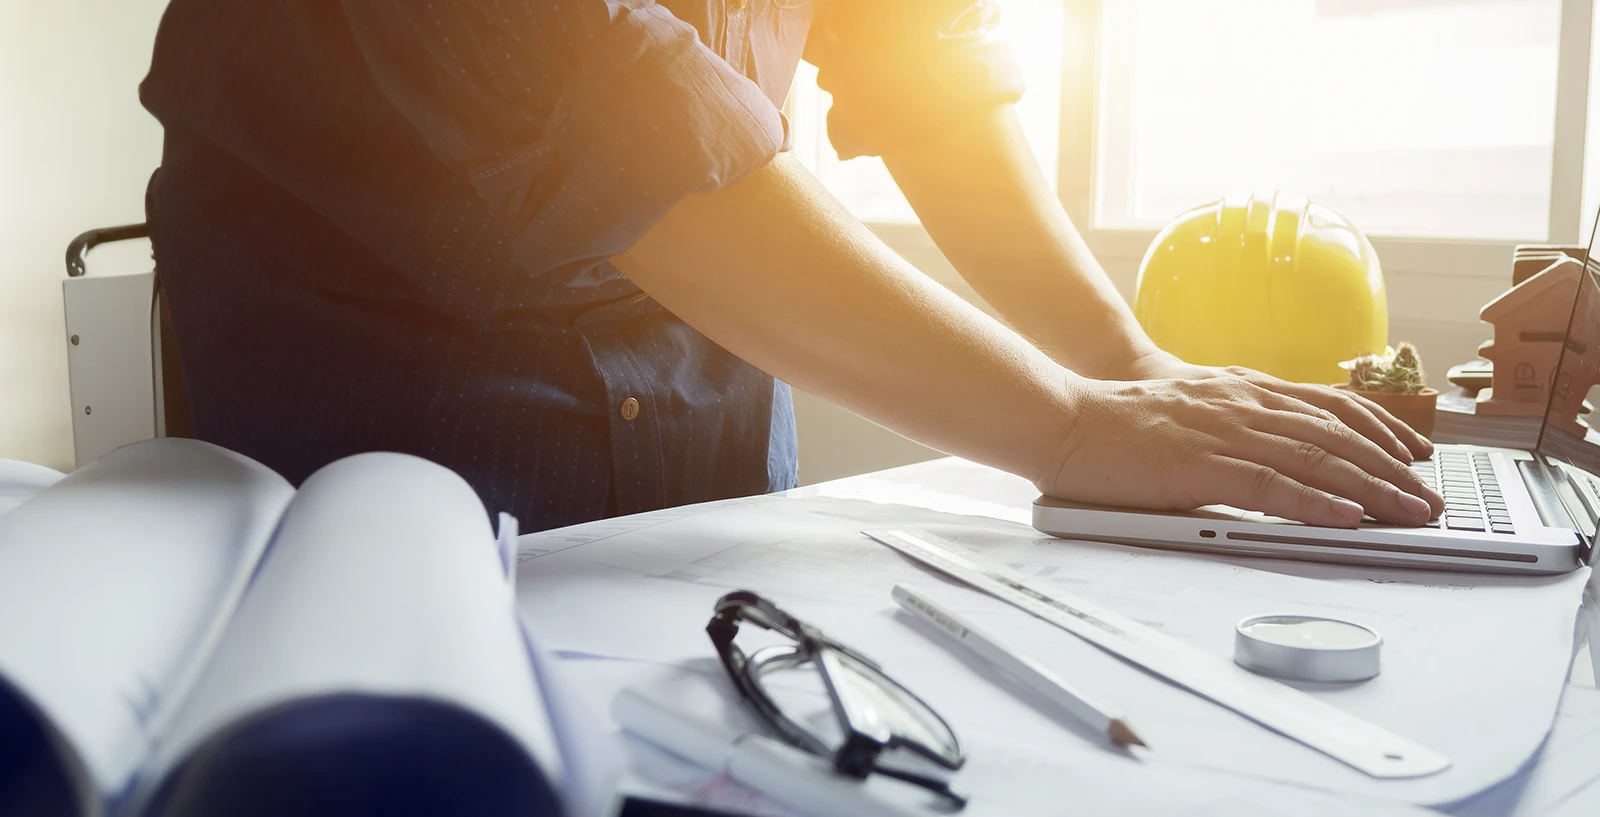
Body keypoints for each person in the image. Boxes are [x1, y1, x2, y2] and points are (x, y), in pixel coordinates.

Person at [139, 0, 1443, 532]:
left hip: (710, 422)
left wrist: (1126, 367)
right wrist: (1069, 423)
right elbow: (607, 113)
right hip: (394, 420)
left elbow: (918, 58)